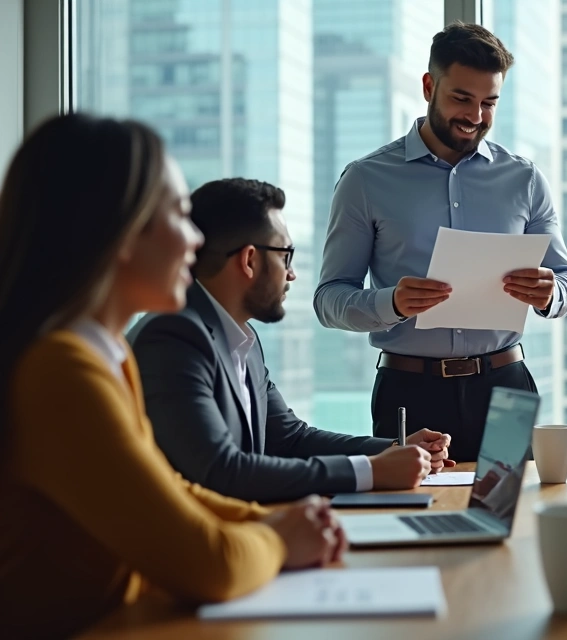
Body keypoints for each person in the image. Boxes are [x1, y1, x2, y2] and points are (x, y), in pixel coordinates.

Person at [0, 114, 344, 638]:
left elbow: (170, 490)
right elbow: (211, 564)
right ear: (121, 232)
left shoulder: (105, 353)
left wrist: (269, 520)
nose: (195, 240)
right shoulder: (61, 372)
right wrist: (279, 540)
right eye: (180, 215)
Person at [314, 22, 567, 462]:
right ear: (428, 86)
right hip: (409, 391)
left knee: (506, 503)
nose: (475, 116)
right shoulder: (365, 180)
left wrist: (552, 292)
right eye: (461, 98)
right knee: (416, 501)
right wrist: (391, 303)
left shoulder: (525, 179)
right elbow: (329, 300)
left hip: (506, 386)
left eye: (488, 103)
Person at [128, 179, 451, 503]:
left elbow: (290, 439)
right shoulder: (173, 339)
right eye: (286, 256)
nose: (292, 274)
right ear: (249, 260)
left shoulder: (241, 337)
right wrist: (371, 471)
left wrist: (395, 449)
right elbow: (221, 470)